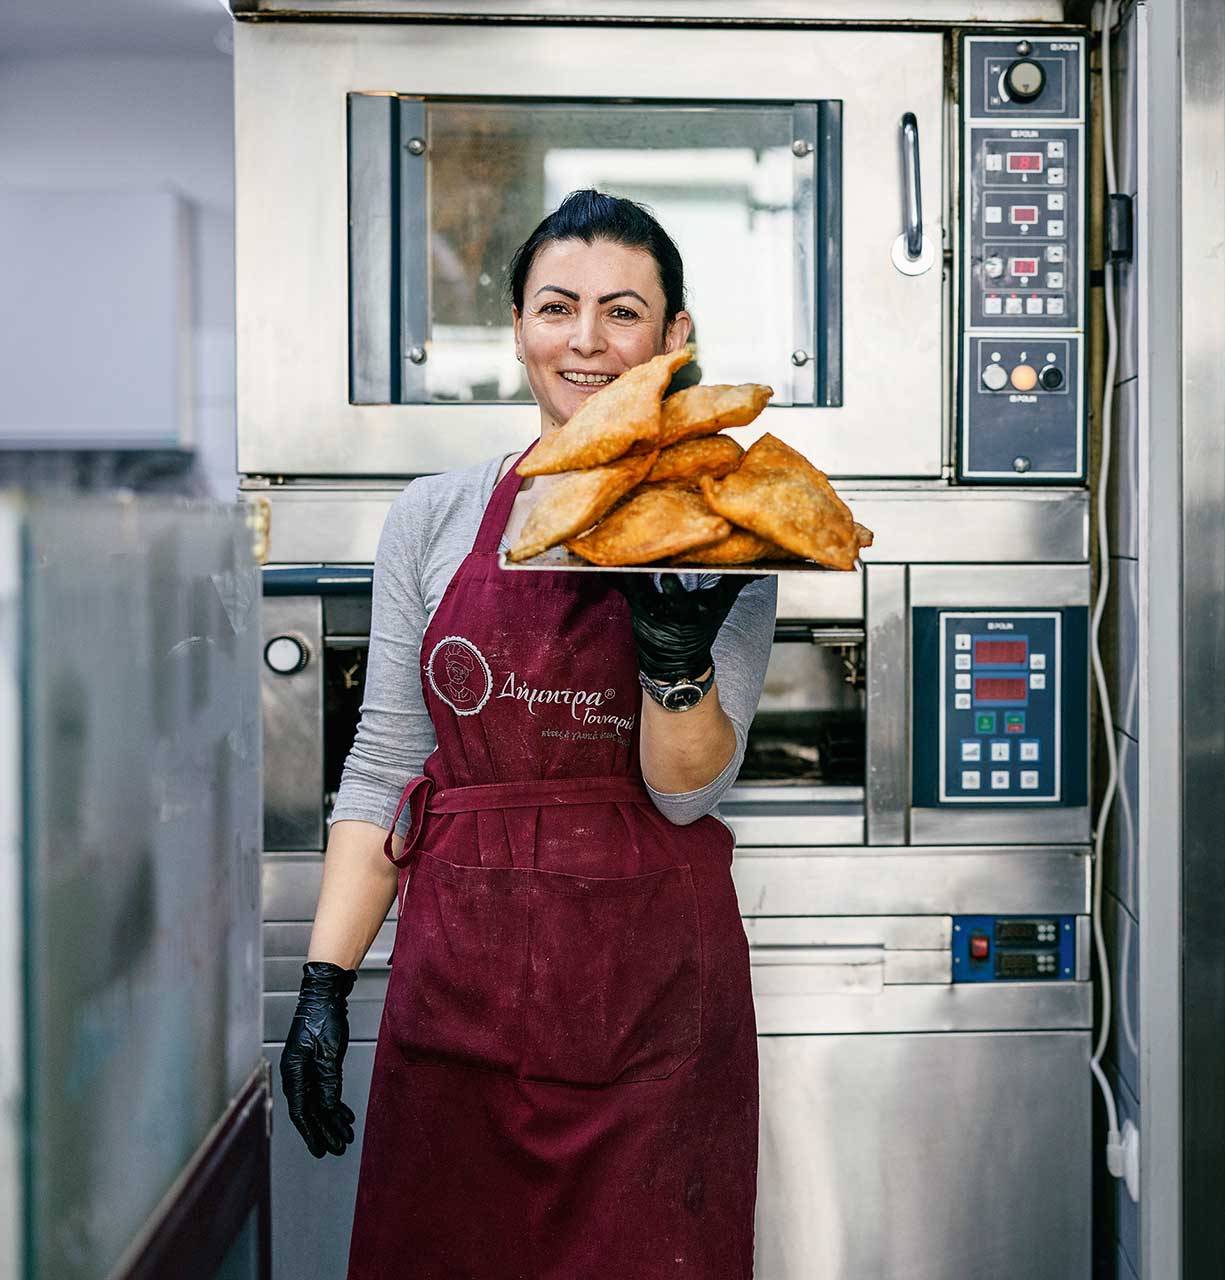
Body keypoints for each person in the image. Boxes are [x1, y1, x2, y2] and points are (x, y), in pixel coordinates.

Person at [278, 190, 775, 1278]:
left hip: (648, 1017)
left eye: (623, 311)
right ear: (516, 326)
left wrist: (676, 660)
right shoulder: (434, 516)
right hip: (458, 995)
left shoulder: (725, 525)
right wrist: (323, 985)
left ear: (675, 339)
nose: (586, 341)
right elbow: (385, 766)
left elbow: (688, 792)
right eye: (557, 307)